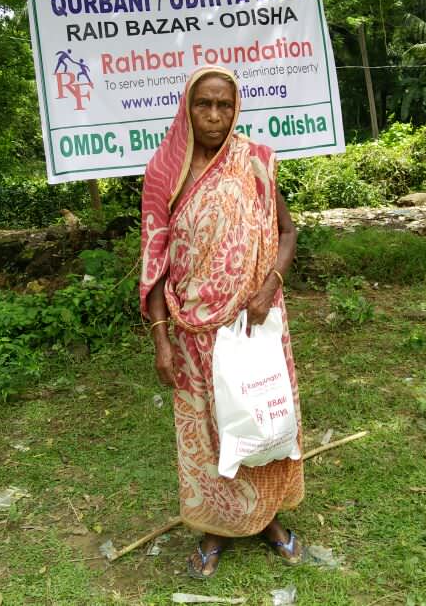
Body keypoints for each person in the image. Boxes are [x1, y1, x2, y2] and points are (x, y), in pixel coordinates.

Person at [140, 65, 305, 579]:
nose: (214, 115)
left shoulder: (254, 162)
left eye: (224, 105)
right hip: (193, 334)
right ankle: (216, 528)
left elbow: (287, 231)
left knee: (259, 416)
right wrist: (161, 340)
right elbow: (154, 262)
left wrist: (268, 287)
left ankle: (267, 517)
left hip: (252, 324)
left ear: (236, 110)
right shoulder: (164, 172)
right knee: (210, 430)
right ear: (187, 109)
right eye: (204, 104)